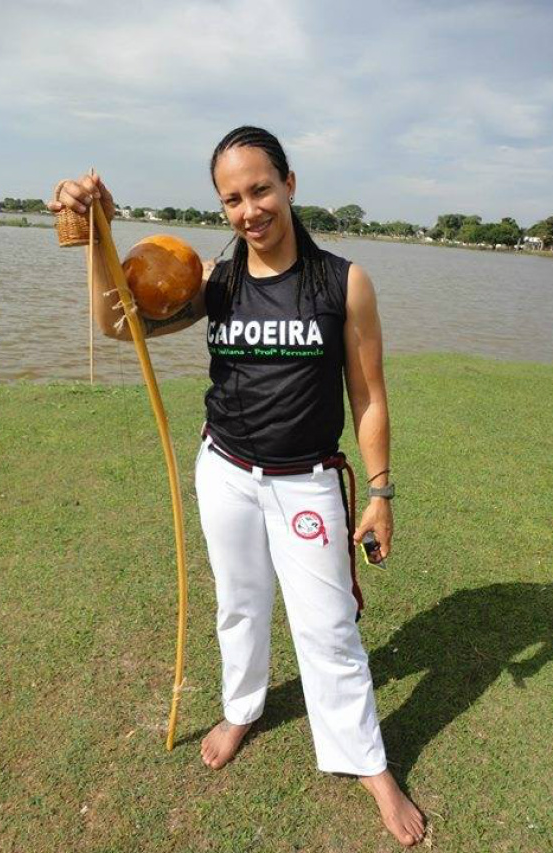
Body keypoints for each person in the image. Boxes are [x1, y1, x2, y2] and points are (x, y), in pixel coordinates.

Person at [48, 126, 427, 847]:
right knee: (239, 604)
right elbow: (119, 325)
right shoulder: (214, 282)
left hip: (308, 480)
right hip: (224, 471)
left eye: (260, 189)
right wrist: (100, 236)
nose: (248, 209)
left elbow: (369, 394)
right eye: (231, 197)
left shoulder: (341, 282)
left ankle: (366, 761)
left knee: (328, 628)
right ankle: (241, 707)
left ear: (289, 182)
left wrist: (381, 492)